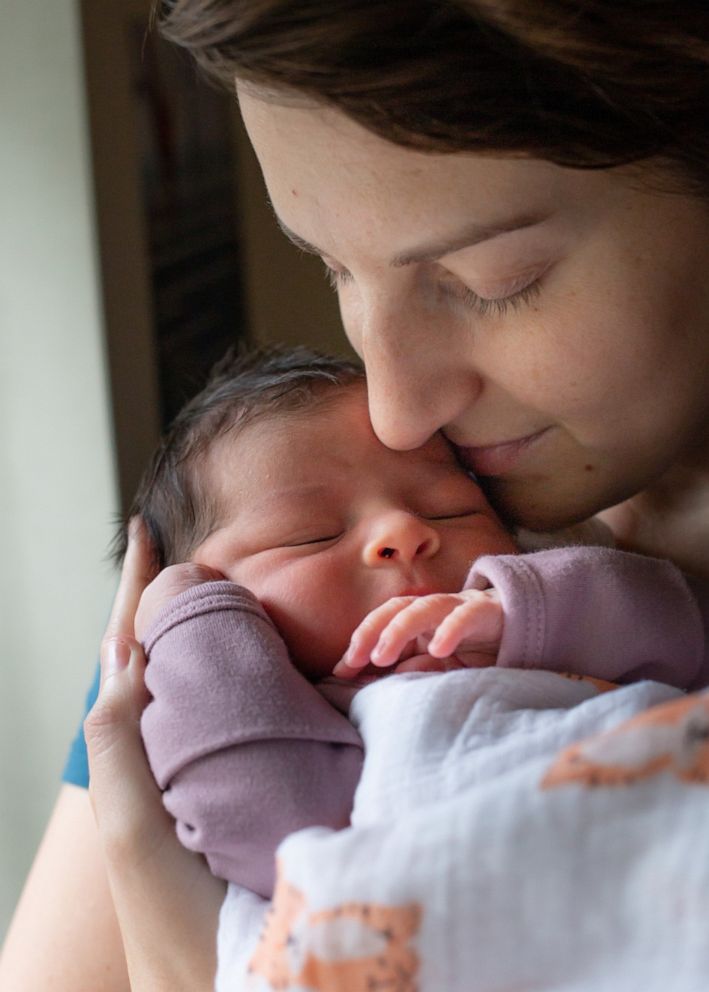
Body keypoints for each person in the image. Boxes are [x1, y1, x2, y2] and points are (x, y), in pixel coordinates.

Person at [2, 2, 708, 989]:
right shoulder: (266, 607)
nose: (396, 408)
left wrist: (178, 947)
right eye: (331, 263)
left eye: (491, 279)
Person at [131, 346, 706, 900]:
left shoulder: (549, 631)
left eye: (450, 508)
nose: (402, 531)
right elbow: (275, 839)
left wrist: (519, 611)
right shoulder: (312, 732)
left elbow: (682, 630)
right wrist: (186, 618)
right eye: (312, 534)